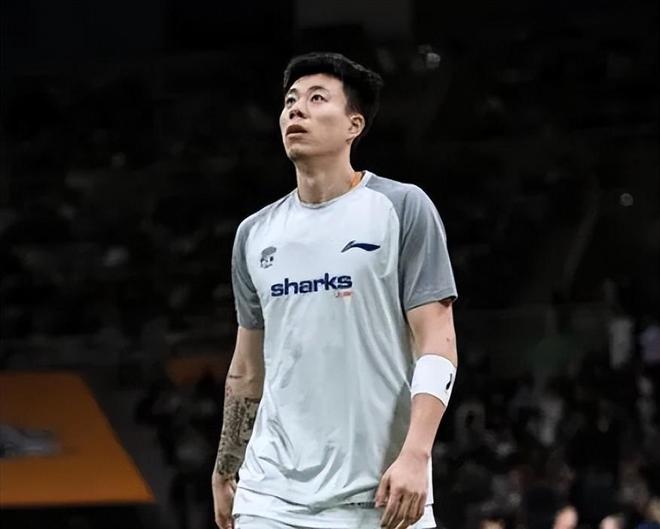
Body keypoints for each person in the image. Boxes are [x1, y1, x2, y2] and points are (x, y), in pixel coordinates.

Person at [211, 52, 459, 529]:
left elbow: (438, 341)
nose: (295, 110)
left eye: (316, 98)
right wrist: (226, 468)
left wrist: (416, 455)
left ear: (353, 125)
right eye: (290, 101)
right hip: (271, 497)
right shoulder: (254, 234)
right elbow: (246, 370)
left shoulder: (402, 208)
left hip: (382, 493)